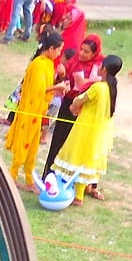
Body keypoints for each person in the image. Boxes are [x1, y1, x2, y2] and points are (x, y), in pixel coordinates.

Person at [51, 54, 121, 204]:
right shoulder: (111, 89)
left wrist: (74, 104)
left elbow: (80, 99)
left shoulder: (98, 87)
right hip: (97, 130)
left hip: (85, 127)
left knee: (77, 155)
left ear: (105, 69)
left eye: (101, 66)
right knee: (86, 159)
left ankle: (72, 193)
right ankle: (79, 195)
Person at [4, 29, 65, 189]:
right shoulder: (38, 64)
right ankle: (12, 175)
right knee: (24, 143)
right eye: (58, 50)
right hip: (30, 110)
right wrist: (56, 87)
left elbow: (45, 87)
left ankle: (30, 178)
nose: (59, 53)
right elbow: (38, 91)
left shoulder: (48, 64)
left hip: (39, 111)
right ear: (51, 48)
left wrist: (58, 81)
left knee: (33, 146)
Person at [41, 32, 102, 176]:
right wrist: (62, 76)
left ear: (95, 53)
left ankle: (72, 179)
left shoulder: (100, 65)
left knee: (78, 145)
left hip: (86, 109)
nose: (81, 53)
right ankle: (50, 175)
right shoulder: (73, 62)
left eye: (86, 52)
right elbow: (62, 80)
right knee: (59, 141)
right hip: (68, 106)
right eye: (81, 49)